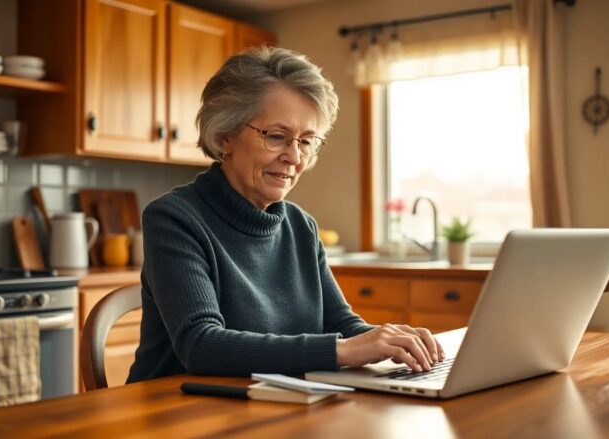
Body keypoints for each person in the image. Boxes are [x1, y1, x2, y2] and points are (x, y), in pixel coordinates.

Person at [127, 46, 444, 383]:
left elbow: (340, 323)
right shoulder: (173, 219)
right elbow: (201, 345)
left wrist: (392, 341)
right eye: (277, 137)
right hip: (177, 407)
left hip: (269, 402)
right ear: (225, 135)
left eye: (306, 141)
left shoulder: (301, 226)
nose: (294, 157)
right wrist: (341, 350)